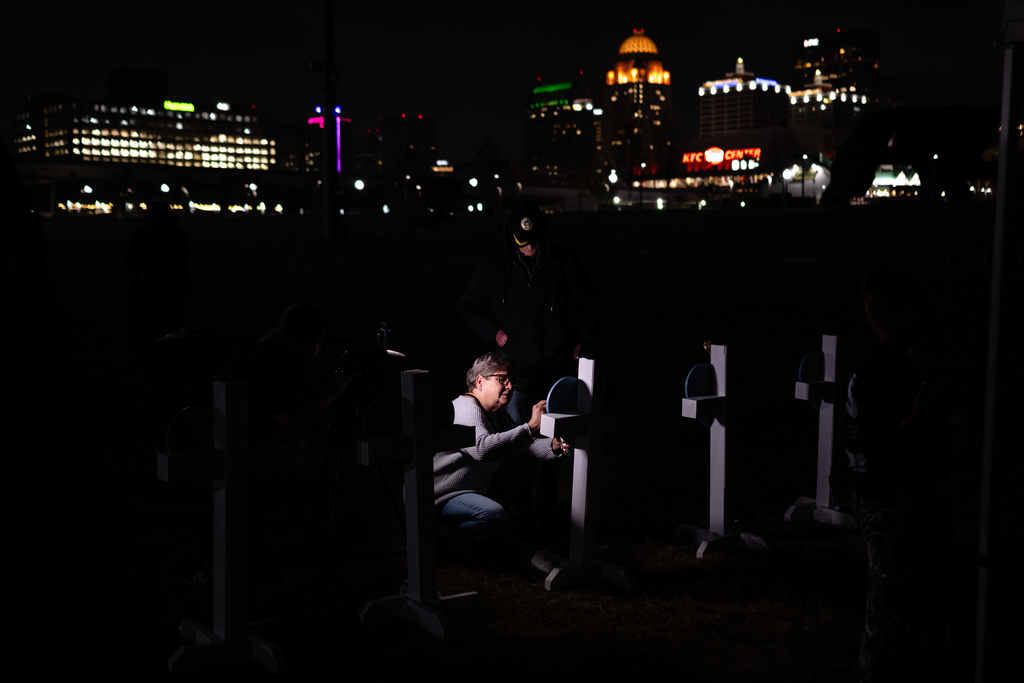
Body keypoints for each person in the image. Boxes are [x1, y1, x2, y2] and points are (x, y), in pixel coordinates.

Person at [845, 266, 953, 683]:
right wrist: (918, 420)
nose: (925, 314)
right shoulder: (888, 370)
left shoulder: (883, 365)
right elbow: (878, 439)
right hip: (888, 499)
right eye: (915, 307)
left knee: (898, 601)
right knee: (890, 606)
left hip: (880, 495)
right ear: (894, 315)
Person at [456, 201, 602, 425]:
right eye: (524, 243)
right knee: (520, 439)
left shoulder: (563, 262)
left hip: (558, 372)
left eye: (535, 242)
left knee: (558, 439)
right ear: (512, 239)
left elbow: (592, 301)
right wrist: (494, 332)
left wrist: (583, 340)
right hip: (516, 376)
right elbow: (467, 306)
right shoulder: (492, 266)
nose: (531, 249)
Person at [434, 352, 570, 543]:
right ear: (480, 382)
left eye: (511, 380)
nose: (510, 386)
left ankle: (485, 533)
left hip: (474, 488)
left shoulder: (497, 414)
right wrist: (530, 427)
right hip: (443, 496)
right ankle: (441, 539)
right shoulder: (465, 408)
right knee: (493, 514)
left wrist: (557, 445)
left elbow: (524, 448)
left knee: (520, 468)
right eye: (502, 379)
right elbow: (483, 450)